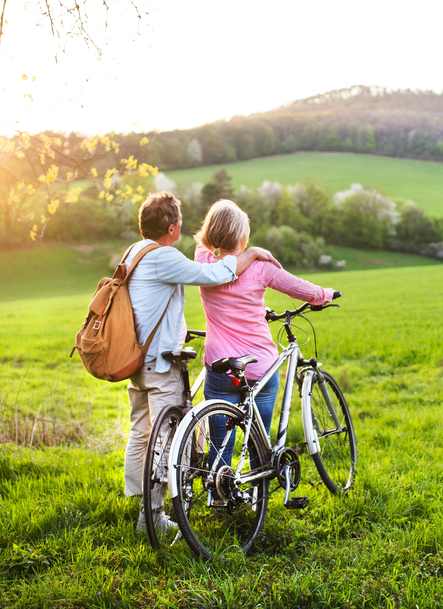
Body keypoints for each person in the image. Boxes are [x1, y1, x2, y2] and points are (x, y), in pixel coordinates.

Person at [125, 191, 278, 533]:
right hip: (160, 363)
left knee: (141, 433)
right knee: (165, 437)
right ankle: (151, 516)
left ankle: (138, 502)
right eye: (178, 220)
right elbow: (217, 275)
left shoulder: (135, 252)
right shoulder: (163, 256)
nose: (181, 225)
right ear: (171, 227)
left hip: (135, 359)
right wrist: (252, 252)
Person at [194, 199, 336, 467]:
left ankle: (219, 495)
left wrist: (231, 238)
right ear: (242, 233)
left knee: (219, 442)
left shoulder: (204, 263)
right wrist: (325, 295)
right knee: (259, 440)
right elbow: (304, 290)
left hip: (220, 368)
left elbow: (203, 244)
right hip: (261, 368)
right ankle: (259, 490)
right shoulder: (262, 267)